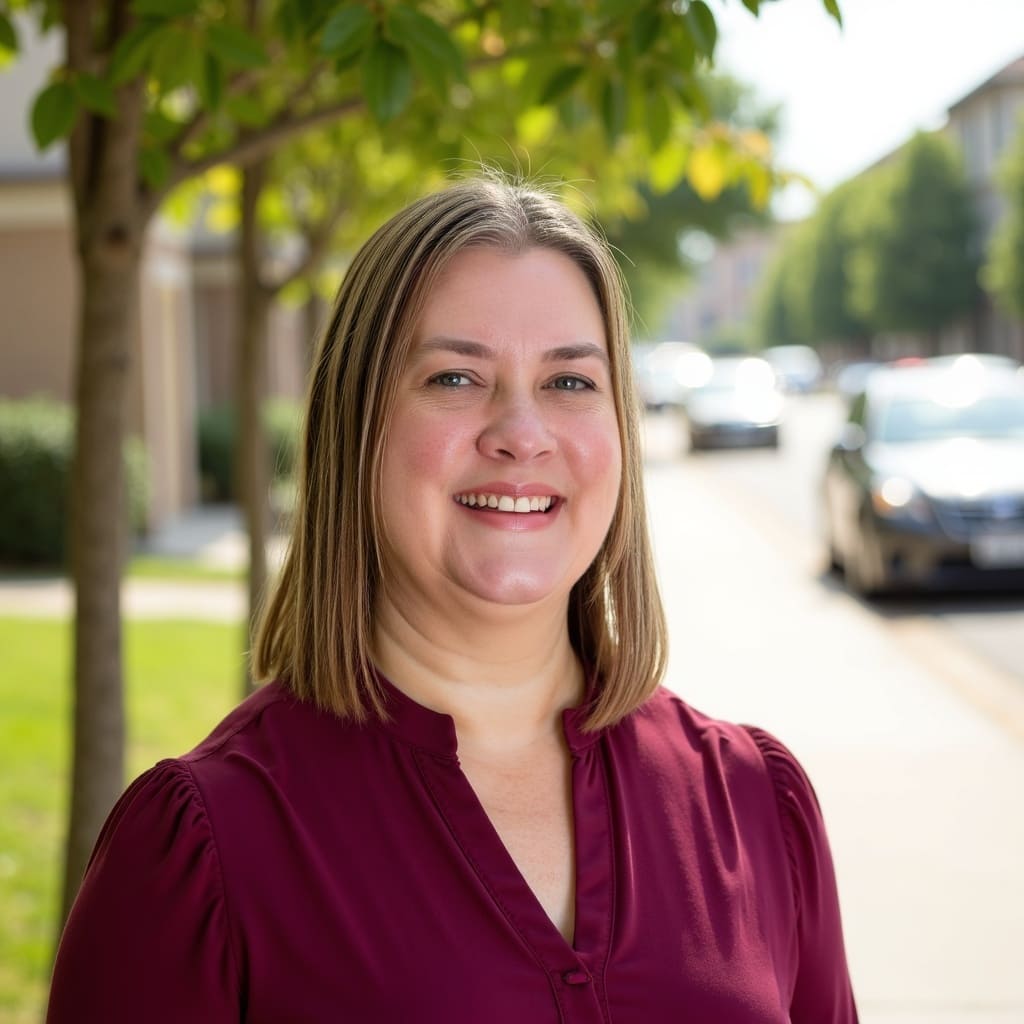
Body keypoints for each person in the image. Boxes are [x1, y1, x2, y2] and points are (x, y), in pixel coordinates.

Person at [48, 177, 859, 1022]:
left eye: (571, 383)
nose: (522, 431)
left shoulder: (754, 805)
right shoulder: (204, 850)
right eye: (455, 377)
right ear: (357, 426)